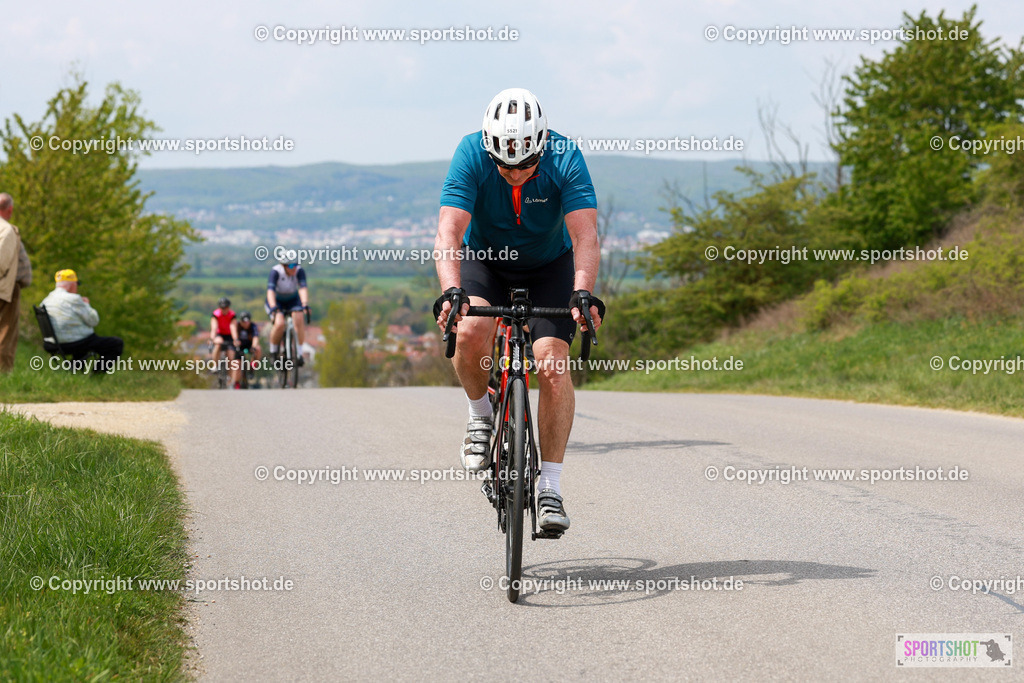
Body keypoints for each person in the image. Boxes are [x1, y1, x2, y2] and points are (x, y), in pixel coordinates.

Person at [433, 88, 604, 533]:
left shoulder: (565, 155)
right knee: (469, 331)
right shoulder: (470, 152)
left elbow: (585, 235)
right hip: (486, 262)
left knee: (552, 364)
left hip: (550, 265)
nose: (514, 175)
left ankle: (551, 487)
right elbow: (449, 232)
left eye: (525, 166)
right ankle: (480, 416)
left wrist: (582, 293)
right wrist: (452, 291)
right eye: (504, 166)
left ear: (541, 146)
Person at [39, 269, 124, 364]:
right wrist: (87, 304)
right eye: (77, 284)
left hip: (52, 344)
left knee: (82, 337)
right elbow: (94, 321)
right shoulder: (74, 299)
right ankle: (97, 372)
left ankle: (75, 368)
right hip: (73, 344)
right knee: (116, 343)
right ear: (72, 284)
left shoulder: (46, 301)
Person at [265, 254, 310, 366]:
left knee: (299, 318)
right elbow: (270, 291)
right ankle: (273, 351)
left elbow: (303, 288)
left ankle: (299, 353)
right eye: (291, 266)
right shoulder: (276, 272)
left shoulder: (299, 271)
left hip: (292, 299)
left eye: (295, 265)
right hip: (277, 300)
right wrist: (273, 307)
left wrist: (304, 304)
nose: (294, 268)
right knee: (279, 323)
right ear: (284, 266)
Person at [0, 192, 28, 371]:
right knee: (6, 334)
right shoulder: (6, 230)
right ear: (9, 209)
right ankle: (3, 374)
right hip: (4, 290)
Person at [209, 297, 238, 379]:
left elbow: (233, 327)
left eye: (225, 307)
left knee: (231, 356)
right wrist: (211, 339)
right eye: (222, 307)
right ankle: (215, 365)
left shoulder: (232, 315)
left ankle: (229, 376)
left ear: (228, 307)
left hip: (229, 335)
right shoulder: (216, 314)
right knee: (218, 344)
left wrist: (235, 339)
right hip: (220, 334)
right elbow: (214, 328)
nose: (224, 309)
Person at [233, 311, 262, 388]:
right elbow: (234, 336)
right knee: (237, 364)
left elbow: (255, 337)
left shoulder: (253, 326)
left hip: (249, 345)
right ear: (241, 321)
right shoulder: (237, 326)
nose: (246, 324)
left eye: (247, 321)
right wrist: (236, 342)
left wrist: (254, 346)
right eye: (244, 322)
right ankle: (236, 383)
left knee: (258, 349)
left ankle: (252, 367)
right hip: (239, 346)